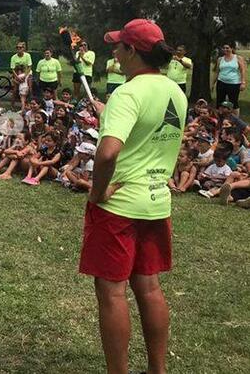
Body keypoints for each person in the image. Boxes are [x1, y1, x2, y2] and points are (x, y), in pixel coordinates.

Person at [82, 19, 186, 374]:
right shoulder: (176, 91)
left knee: (112, 293)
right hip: (157, 202)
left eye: (119, 46)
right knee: (149, 287)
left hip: (119, 207)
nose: (114, 52)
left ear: (132, 52)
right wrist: (108, 116)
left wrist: (97, 193)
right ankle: (158, 370)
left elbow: (108, 153)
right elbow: (152, 131)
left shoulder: (126, 93)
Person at [212, 42, 246, 111]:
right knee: (220, 102)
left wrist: (243, 83)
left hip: (234, 84)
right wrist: (213, 83)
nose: (225, 49)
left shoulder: (238, 58)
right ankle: (220, 119)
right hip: (221, 83)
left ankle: (235, 120)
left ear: (232, 48)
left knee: (234, 103)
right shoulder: (220, 59)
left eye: (227, 48)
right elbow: (217, 72)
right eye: (224, 48)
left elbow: (242, 71)